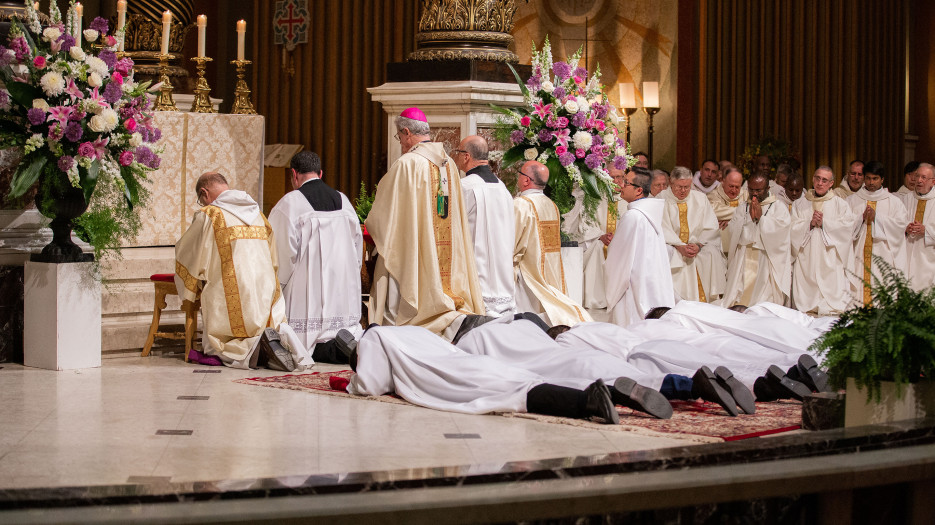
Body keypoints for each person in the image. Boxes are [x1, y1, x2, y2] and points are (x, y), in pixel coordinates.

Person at [366, 107, 485, 340]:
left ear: (407, 132)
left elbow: (385, 214)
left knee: (395, 290)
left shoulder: (407, 163)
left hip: (414, 248)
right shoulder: (449, 163)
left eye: (399, 137)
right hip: (445, 248)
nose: (400, 142)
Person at [342, 325, 620, 424]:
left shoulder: (374, 339)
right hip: (473, 363)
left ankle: (587, 402)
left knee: (517, 393)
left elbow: (371, 384)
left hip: (459, 377)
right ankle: (614, 393)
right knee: (526, 380)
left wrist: (352, 383)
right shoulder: (407, 332)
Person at [175, 172, 313, 370]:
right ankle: (269, 339)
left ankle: (252, 348)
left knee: (220, 343)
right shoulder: (258, 214)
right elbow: (274, 259)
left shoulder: (210, 215)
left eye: (200, 200)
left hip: (234, 293)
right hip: (265, 294)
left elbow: (188, 253)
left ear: (204, 193)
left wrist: (192, 284)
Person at [267, 151, 363, 364]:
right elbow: (357, 249)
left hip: (307, 289)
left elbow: (282, 255)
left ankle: (327, 348)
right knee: (340, 329)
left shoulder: (289, 204)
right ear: (320, 173)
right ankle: (344, 342)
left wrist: (278, 287)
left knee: (304, 341)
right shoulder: (344, 201)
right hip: (341, 289)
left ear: (294, 174)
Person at [513, 160, 592, 326]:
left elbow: (513, 241)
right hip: (549, 269)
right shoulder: (551, 204)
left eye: (520, 174)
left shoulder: (521, 204)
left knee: (527, 316)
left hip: (527, 270)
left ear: (526, 180)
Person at [452, 135, 517, 316]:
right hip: (503, 266)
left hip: (476, 269)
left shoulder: (464, 186)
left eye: (458, 152)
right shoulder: (502, 188)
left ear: (466, 156)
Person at [604, 166, 675, 326]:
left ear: (638, 190)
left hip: (634, 288)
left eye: (626, 182)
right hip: (650, 283)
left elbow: (618, 260)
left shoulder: (633, 216)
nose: (621, 185)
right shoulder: (649, 213)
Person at [790, 166, 858, 315]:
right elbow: (791, 228)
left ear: (831, 183)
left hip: (829, 256)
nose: (820, 183)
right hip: (806, 255)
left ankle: (829, 306)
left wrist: (825, 224)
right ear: (813, 179)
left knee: (829, 290)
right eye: (817, 178)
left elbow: (847, 228)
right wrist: (809, 224)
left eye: (824, 180)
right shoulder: (799, 204)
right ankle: (808, 306)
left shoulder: (840, 204)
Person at [720, 172, 792, 308]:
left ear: (767, 189)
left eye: (758, 190)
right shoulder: (743, 207)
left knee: (762, 300)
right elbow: (732, 229)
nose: (754, 194)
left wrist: (761, 219)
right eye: (751, 189)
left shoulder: (778, 207)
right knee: (737, 295)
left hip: (766, 257)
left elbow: (782, 232)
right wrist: (744, 223)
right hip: (744, 255)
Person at [561, 165, 627, 309]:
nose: (615, 181)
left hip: (621, 245)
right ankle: (597, 299)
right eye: (612, 177)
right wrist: (600, 236)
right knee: (597, 247)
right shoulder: (593, 198)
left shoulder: (627, 200)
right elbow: (585, 223)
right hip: (595, 241)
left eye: (619, 177)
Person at [659, 166, 727, 303]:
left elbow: (711, 227)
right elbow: (661, 227)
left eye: (687, 187)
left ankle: (707, 300)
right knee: (669, 254)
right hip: (673, 246)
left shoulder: (700, 198)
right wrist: (679, 246)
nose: (683, 191)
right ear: (671, 183)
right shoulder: (660, 199)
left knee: (710, 254)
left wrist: (698, 245)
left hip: (696, 247)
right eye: (679, 187)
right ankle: (676, 301)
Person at [845, 161, 909, 305]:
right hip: (858, 254)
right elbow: (844, 225)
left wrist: (878, 218)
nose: (871, 182)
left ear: (882, 179)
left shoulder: (894, 202)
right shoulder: (852, 200)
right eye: (868, 178)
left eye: (875, 179)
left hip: (883, 255)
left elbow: (901, 225)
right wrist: (860, 218)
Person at [899, 162, 935, 291]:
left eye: (924, 177)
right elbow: (896, 223)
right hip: (907, 253)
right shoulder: (905, 199)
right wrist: (905, 228)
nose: (918, 180)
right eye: (917, 176)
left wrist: (927, 230)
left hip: (929, 257)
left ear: (933, 182)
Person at [708, 167, 747, 255]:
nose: (733, 190)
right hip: (719, 248)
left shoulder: (746, 195)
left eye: (737, 187)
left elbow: (752, 214)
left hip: (741, 248)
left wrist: (729, 220)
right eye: (731, 186)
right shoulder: (713, 195)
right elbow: (713, 212)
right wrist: (741, 214)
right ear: (723, 182)